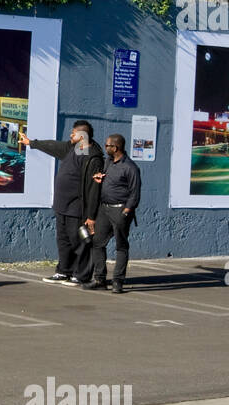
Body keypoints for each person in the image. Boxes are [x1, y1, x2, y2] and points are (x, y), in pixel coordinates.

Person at [18, 120, 103, 286]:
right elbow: (54, 146)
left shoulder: (92, 157)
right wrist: (31, 143)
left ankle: (81, 275)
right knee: (63, 241)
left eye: (73, 133)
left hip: (77, 207)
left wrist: (91, 216)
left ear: (82, 136)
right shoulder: (74, 149)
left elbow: (94, 189)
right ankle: (64, 271)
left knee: (79, 242)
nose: (70, 135)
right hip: (62, 206)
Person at [85, 134, 140, 294]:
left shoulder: (130, 167)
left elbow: (135, 194)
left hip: (120, 210)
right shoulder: (107, 162)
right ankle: (100, 279)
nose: (105, 147)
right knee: (97, 242)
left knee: (121, 246)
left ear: (115, 148)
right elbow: (102, 178)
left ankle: (118, 281)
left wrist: (126, 211)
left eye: (107, 145)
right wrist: (98, 178)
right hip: (104, 209)